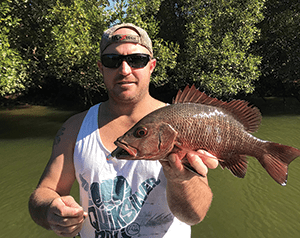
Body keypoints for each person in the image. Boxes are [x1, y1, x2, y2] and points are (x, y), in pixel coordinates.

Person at [28, 23, 219, 238]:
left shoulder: (184, 123)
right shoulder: (74, 128)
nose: (124, 70)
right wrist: (52, 210)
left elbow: (195, 215)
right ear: (101, 68)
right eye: (113, 61)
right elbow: (43, 193)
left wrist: (179, 180)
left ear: (152, 66)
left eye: (137, 60)